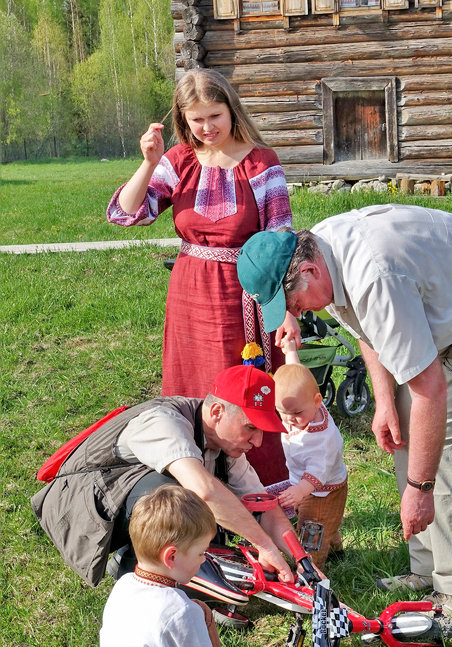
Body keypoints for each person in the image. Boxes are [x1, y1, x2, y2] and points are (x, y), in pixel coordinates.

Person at [236, 204, 452, 616]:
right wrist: (384, 401)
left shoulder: (372, 277)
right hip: (445, 294)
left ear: (308, 271)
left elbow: (431, 391)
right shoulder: (321, 253)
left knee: (449, 441)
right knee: (404, 421)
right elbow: (365, 325)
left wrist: (420, 488)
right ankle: (428, 567)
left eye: (291, 301)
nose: (295, 313)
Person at [106, 68, 298, 484]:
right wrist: (149, 163)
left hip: (244, 293)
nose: (207, 128)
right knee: (193, 387)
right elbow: (127, 213)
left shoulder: (260, 162)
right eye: (197, 119)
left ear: (231, 111)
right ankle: (194, 485)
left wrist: (282, 307)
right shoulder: (178, 161)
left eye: (215, 116)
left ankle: (256, 489)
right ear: (182, 119)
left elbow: (281, 237)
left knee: (244, 388)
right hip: (190, 290)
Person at [31, 365, 294, 588]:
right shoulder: (165, 421)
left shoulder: (227, 445)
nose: (258, 441)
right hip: (78, 506)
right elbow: (204, 491)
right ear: (216, 413)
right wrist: (265, 545)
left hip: (119, 501)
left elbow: (261, 503)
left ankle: (137, 560)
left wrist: (299, 560)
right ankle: (156, 575)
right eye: (251, 427)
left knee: (203, 505)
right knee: (182, 500)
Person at [96, 484, 299, 647]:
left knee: (201, 610)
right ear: (171, 557)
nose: (204, 559)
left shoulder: (124, 585)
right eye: (201, 553)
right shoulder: (178, 611)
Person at [272, 341, 348, 569]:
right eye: (281, 412)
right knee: (326, 522)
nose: (288, 419)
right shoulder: (308, 406)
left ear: (317, 401)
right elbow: (296, 374)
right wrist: (291, 352)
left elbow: (317, 474)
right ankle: (336, 550)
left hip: (321, 491)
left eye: (295, 413)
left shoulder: (321, 440)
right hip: (309, 486)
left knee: (312, 530)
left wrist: (299, 491)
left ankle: (311, 573)